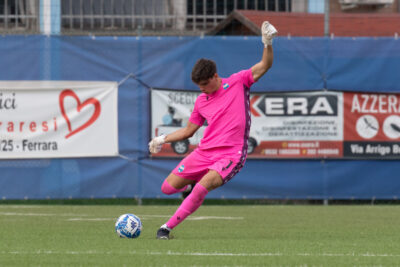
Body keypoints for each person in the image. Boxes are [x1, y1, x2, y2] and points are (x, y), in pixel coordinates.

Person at [148, 21, 278, 240]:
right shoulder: (201, 101)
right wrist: (162, 139)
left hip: (231, 154)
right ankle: (190, 188)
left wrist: (267, 42)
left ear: (216, 77)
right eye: (199, 87)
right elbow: (189, 131)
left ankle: (166, 229)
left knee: (202, 187)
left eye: (205, 85)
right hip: (204, 152)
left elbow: (265, 65)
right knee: (167, 188)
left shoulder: (238, 82)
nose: (202, 90)